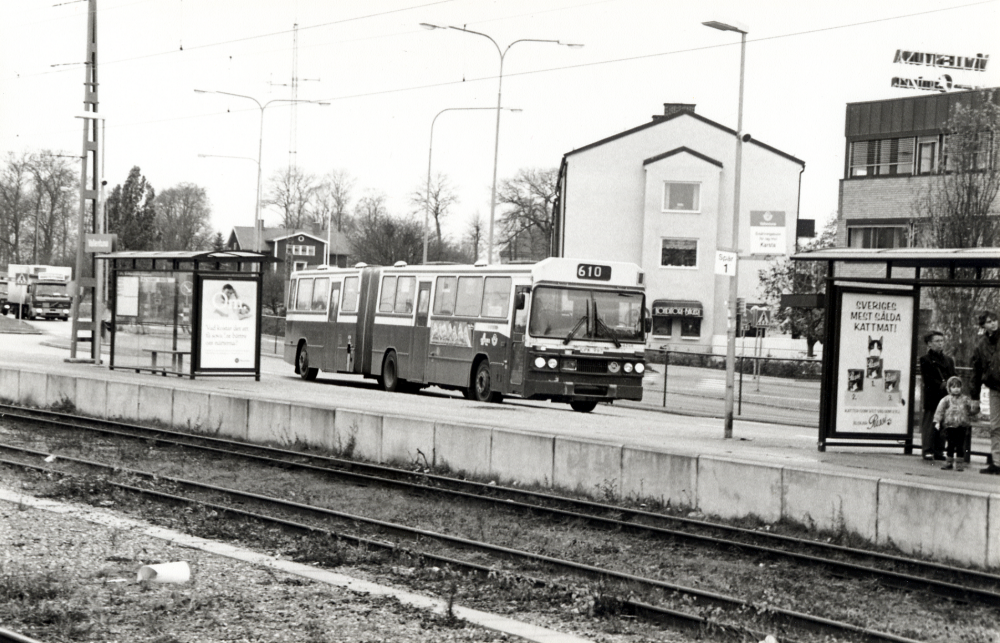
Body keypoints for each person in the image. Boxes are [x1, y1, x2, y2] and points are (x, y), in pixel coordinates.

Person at [969, 311, 1000, 474]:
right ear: (983, 325)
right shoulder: (981, 344)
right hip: (995, 387)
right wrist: (974, 396)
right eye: (989, 322)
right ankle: (997, 462)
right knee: (995, 426)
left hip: (995, 384)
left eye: (994, 320)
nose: (993, 323)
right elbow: (977, 369)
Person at [918, 331, 955, 461]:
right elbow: (928, 379)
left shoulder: (949, 360)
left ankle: (939, 450)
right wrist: (942, 385)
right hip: (933, 396)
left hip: (946, 396)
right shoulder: (925, 359)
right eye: (937, 341)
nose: (940, 344)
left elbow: (953, 376)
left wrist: (952, 386)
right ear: (929, 344)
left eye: (942, 341)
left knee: (944, 423)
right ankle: (927, 450)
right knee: (930, 423)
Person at [933, 376, 974, 471]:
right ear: (949, 388)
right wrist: (937, 421)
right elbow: (940, 411)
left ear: (961, 388)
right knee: (950, 444)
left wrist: (974, 410)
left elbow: (971, 409)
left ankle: (959, 463)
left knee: (960, 445)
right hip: (950, 425)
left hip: (962, 425)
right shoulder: (946, 400)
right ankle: (949, 462)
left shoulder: (965, 399)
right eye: (953, 387)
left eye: (958, 387)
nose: (956, 389)